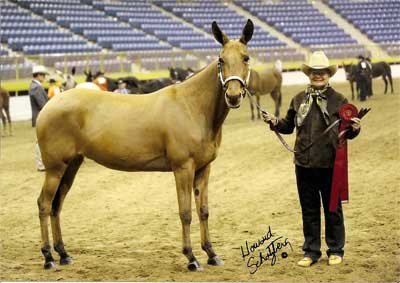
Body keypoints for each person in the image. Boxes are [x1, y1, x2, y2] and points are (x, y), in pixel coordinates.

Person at [262, 51, 361, 267]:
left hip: (329, 164)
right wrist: (275, 122)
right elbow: (288, 126)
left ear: (328, 74)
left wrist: (355, 129)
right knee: (309, 210)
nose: (318, 76)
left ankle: (336, 250)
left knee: (332, 208)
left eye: (322, 72)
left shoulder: (339, 100)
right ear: (310, 74)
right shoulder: (298, 99)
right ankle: (311, 251)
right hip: (303, 165)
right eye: (314, 72)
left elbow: (346, 132)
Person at [29, 65, 49, 171]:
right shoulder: (36, 87)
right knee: (39, 140)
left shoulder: (35, 86)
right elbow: (42, 104)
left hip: (40, 116)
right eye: (43, 75)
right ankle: (41, 165)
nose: (44, 77)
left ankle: (42, 163)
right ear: (38, 75)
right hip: (40, 117)